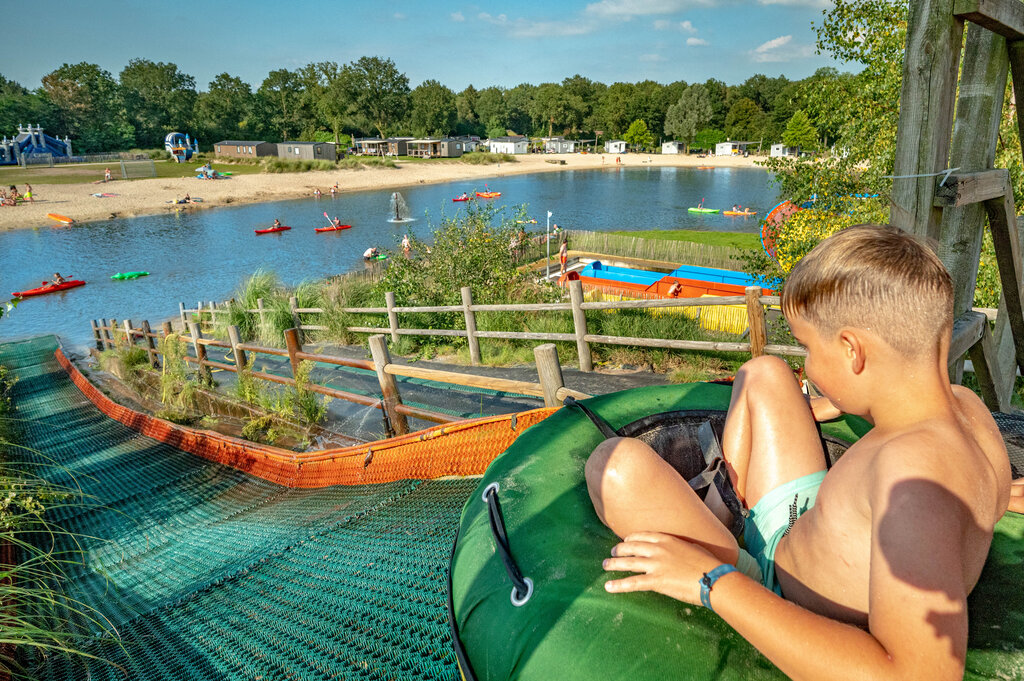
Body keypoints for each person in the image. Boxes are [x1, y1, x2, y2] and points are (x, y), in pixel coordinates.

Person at [586, 224, 1015, 681]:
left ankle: (724, 544)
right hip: (811, 523)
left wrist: (713, 581)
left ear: (853, 351)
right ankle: (725, 508)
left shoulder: (911, 481)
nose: (807, 365)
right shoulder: (967, 411)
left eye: (808, 348)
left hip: (777, 595)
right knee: (764, 372)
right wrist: (843, 400)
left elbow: (915, 675)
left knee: (613, 468)